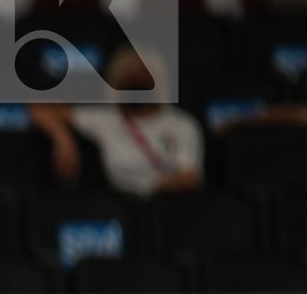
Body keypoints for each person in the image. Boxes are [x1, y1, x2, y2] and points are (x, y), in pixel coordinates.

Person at [30, 47, 203, 197]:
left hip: (172, 211)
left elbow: (188, 178)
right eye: (130, 81)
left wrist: (149, 191)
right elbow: (40, 107)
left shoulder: (182, 124)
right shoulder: (107, 119)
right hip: (125, 212)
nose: (137, 88)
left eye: (144, 80)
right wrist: (61, 137)